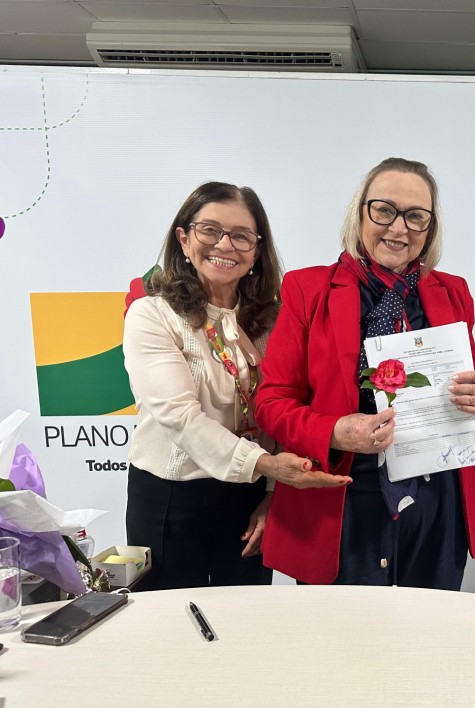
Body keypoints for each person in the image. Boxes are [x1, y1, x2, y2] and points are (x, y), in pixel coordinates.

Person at [254, 157, 475, 588]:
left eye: (416, 216)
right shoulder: (307, 289)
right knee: (344, 630)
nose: (399, 228)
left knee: (430, 627)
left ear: (430, 227)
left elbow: (474, 386)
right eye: (384, 210)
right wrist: (333, 431)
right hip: (344, 499)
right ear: (360, 213)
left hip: (436, 503)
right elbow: (272, 402)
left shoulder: (454, 292)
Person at [124, 182, 348, 591]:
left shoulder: (276, 320)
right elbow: (179, 416)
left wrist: (273, 494)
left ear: (257, 251)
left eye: (242, 236)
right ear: (184, 238)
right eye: (210, 230)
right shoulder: (152, 315)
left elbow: (288, 407)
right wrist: (267, 466)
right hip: (172, 499)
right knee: (171, 619)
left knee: (247, 619)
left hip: (250, 496)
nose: (225, 245)